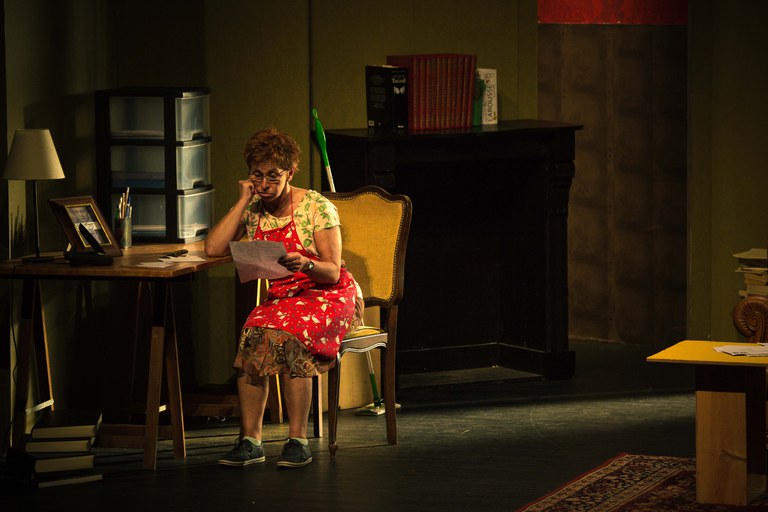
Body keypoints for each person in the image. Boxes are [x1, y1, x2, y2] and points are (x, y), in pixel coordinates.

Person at [205, 127, 361, 469]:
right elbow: (213, 248)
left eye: (272, 176)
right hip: (285, 296)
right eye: (256, 176)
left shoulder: (315, 206)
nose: (264, 184)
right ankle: (251, 441)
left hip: (327, 294)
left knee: (291, 337)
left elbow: (332, 271)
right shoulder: (254, 208)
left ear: (290, 173)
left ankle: (297, 440)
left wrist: (305, 263)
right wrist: (243, 200)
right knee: (252, 336)